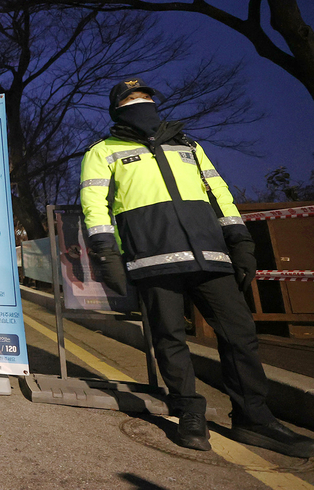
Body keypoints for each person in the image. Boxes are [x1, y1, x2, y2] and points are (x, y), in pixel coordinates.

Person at [83, 79, 314, 457]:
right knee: (168, 337)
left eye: (145, 96)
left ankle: (254, 418)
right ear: (116, 108)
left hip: (210, 254)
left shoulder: (188, 145)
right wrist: (106, 252)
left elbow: (219, 192)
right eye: (130, 98)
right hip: (152, 257)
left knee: (240, 335)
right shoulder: (102, 151)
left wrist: (240, 240)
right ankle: (188, 411)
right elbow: (95, 205)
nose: (140, 101)